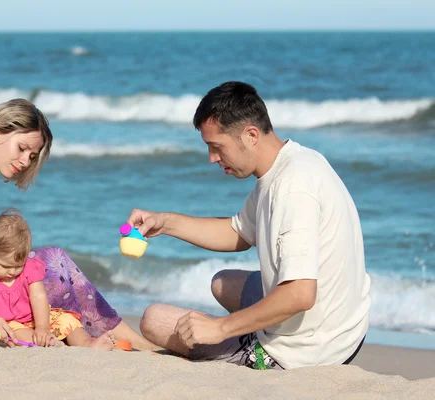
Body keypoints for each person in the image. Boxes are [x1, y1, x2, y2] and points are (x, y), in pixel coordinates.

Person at [127, 81, 371, 369]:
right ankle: (255, 327)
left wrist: (221, 327)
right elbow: (237, 233)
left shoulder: (293, 189)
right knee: (223, 284)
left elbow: (300, 294)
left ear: (251, 135)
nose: (212, 158)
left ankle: (258, 345)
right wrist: (165, 223)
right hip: (346, 321)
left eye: (216, 147)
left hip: (310, 349)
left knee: (154, 319)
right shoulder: (293, 162)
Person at [0, 98, 155, 350]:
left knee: (40, 267)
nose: (25, 161)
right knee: (53, 262)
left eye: (32, 156)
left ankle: (114, 339)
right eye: (21, 148)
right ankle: (126, 342)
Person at [0, 209, 116, 350]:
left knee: (68, 321)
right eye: (4, 266)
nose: (11, 271)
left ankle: (88, 344)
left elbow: (38, 297)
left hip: (37, 317)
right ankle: (48, 343)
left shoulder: (29, 268)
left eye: (18, 266)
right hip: (10, 323)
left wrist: (42, 326)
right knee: (16, 333)